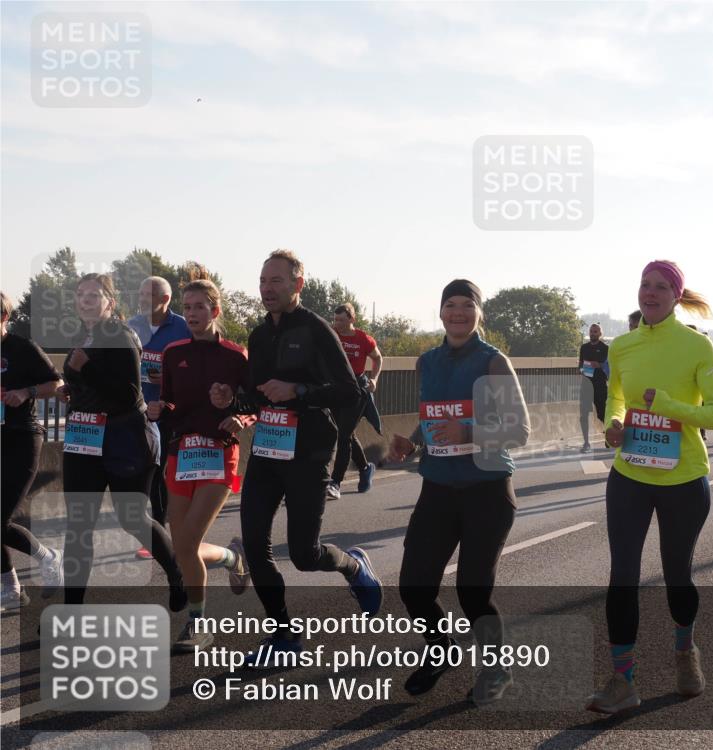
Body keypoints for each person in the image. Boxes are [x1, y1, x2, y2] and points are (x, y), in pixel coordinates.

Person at [209, 250, 382, 666]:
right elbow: (256, 392)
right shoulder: (258, 335)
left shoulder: (317, 330)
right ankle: (284, 635)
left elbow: (349, 390)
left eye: (277, 281)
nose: (268, 289)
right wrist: (232, 400)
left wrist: (299, 392)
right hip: (268, 448)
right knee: (254, 542)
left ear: (297, 284)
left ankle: (353, 566)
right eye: (263, 281)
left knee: (304, 555)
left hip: (309, 451)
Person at [586, 260, 713, 715]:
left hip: (683, 478)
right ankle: (622, 680)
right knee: (621, 576)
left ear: (676, 295)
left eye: (661, 286)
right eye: (645, 284)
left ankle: (686, 652)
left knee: (676, 577)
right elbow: (617, 398)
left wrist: (666, 406)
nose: (650, 292)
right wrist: (614, 423)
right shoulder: (622, 346)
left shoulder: (697, 347)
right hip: (629, 473)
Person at [387, 279, 530, 706]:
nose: (458, 313)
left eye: (467, 305)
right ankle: (442, 646)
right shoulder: (426, 361)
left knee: (472, 591)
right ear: (440, 311)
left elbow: (519, 430)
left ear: (478, 312)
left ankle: (497, 668)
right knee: (413, 586)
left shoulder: (493, 362)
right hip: (438, 488)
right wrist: (413, 442)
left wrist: (467, 430)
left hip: (487, 489)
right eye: (450, 305)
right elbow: (434, 416)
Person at [57, 274, 186, 608]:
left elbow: (129, 394)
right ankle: (71, 612)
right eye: (80, 294)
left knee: (132, 519)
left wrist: (86, 371)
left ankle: (177, 574)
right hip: (84, 438)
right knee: (78, 526)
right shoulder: (79, 334)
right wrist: (69, 389)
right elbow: (86, 381)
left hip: (125, 437)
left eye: (94, 295)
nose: (85, 300)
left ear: (110, 303)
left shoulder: (121, 335)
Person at [147, 276, 252, 652]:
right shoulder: (174, 353)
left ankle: (199, 624)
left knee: (188, 542)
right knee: (183, 548)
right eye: (187, 307)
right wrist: (160, 409)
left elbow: (253, 406)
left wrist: (240, 417)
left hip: (219, 453)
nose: (192, 314)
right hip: (180, 453)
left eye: (199, 307)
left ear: (215, 311)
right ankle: (231, 556)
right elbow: (171, 402)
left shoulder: (235, 355)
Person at [1, 292, 64, 611]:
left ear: (3, 317)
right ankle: (11, 589)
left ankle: (49, 557)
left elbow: (56, 384)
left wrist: (24, 392)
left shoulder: (22, 349)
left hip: (22, 437)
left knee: (2, 517)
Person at [128, 276, 192, 560]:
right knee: (147, 471)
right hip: (138, 410)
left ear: (165, 299)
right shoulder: (132, 326)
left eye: (148, 294)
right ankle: (158, 530)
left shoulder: (183, 327)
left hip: (170, 410)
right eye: (140, 293)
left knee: (161, 471)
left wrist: (169, 377)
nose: (141, 299)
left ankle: (161, 532)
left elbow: (196, 366)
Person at [327, 302, 382, 500]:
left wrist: (374, 379)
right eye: (336, 320)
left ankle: (335, 482)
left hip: (357, 389)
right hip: (335, 388)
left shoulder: (363, 339)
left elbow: (378, 358)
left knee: (343, 436)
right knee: (346, 432)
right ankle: (366, 468)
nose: (338, 323)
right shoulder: (332, 334)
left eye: (342, 320)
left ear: (352, 319)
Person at [578, 323, 610, 453]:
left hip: (600, 385)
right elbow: (580, 363)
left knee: (603, 414)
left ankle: (608, 438)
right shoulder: (584, 347)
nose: (593, 333)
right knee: (583, 415)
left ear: (600, 334)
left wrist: (600, 365)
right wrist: (581, 369)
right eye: (591, 331)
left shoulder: (605, 348)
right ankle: (586, 443)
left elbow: (608, 366)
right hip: (586, 384)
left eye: (595, 331)